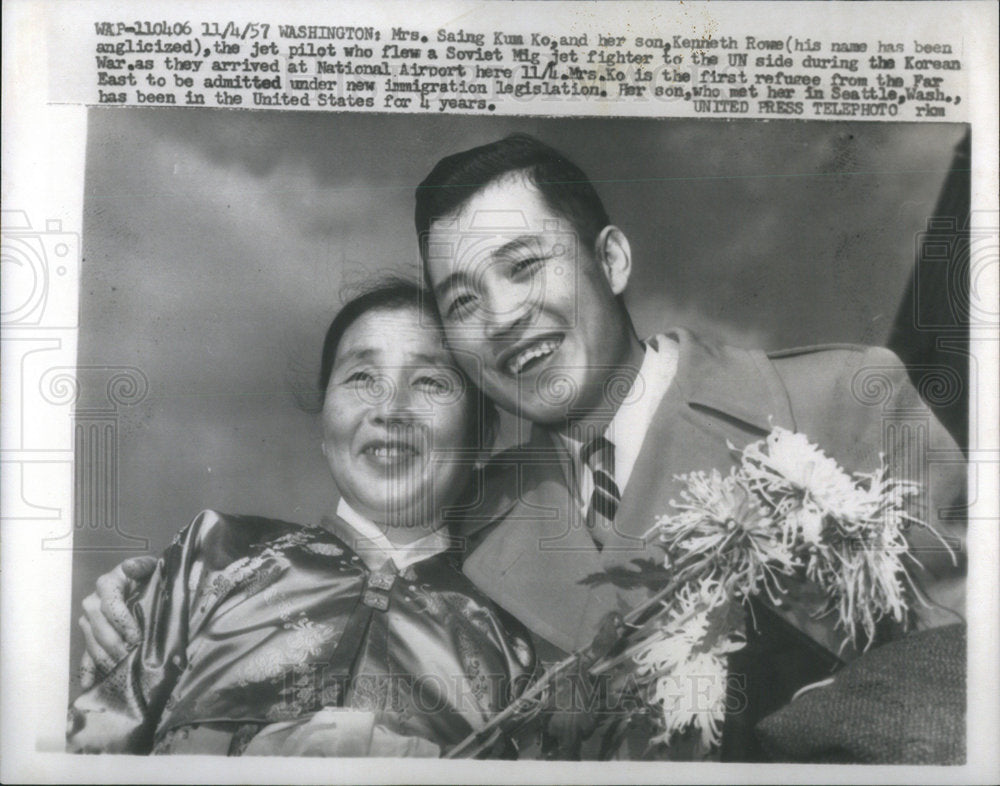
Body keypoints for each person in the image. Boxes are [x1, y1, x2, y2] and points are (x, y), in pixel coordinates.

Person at [81, 135, 967, 760]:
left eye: (524, 264)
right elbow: (362, 564)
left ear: (612, 260)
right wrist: (157, 592)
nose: (501, 318)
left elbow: (969, 670)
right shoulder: (475, 511)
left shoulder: (835, 401)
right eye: (461, 300)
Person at [68, 281, 535, 756]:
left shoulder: (511, 643)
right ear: (324, 420)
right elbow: (94, 751)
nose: (390, 410)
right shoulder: (212, 556)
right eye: (361, 378)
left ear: (481, 439)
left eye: (431, 382)